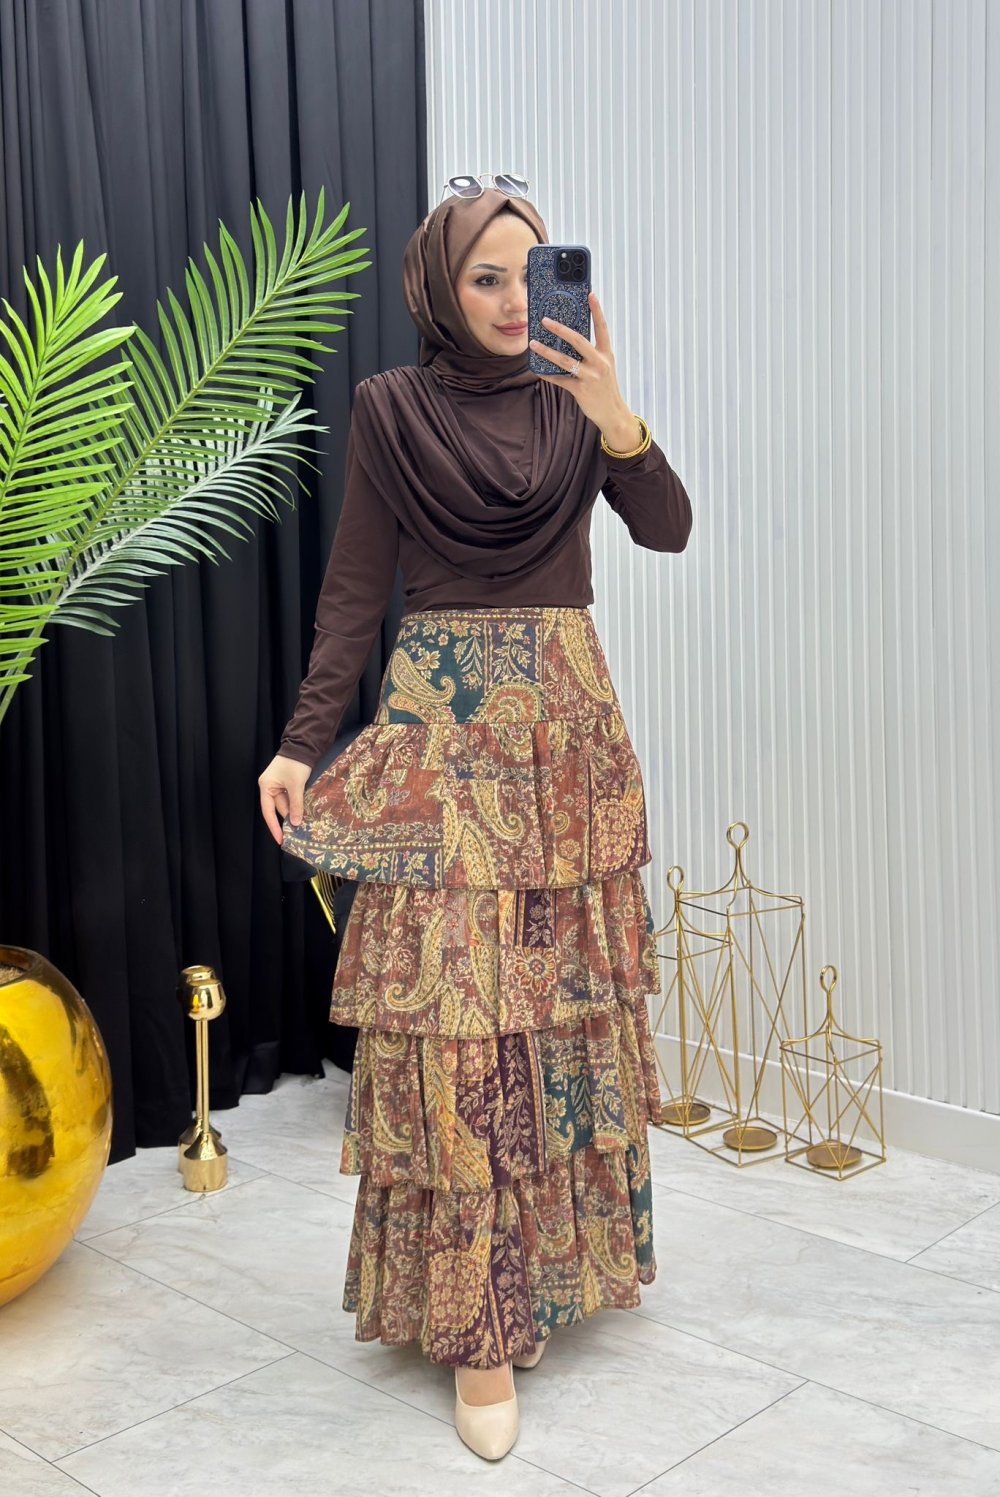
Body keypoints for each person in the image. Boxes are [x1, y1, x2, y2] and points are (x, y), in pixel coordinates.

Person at [257, 177, 692, 1462]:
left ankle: (540, 1274)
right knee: (454, 1021)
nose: (509, 300)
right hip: (443, 730)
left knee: (554, 1016)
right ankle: (477, 1325)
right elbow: (354, 588)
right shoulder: (393, 409)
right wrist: (301, 742)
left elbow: (668, 531)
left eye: (525, 274)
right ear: (440, 289)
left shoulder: (574, 403)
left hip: (565, 730)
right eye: (483, 277)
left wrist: (616, 419)